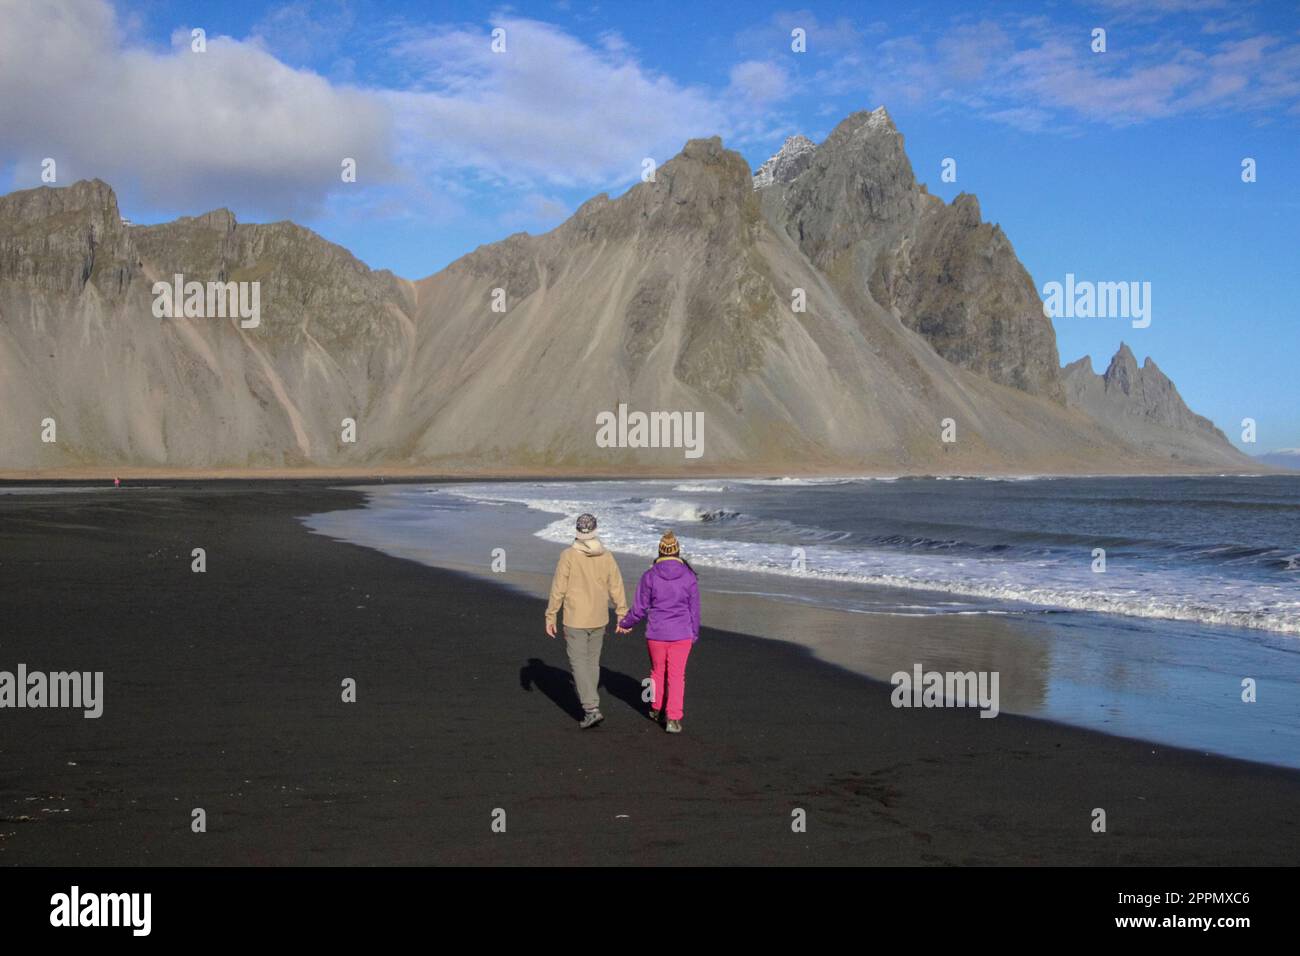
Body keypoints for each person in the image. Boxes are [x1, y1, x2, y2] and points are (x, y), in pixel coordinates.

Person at [545, 513, 628, 729]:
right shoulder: (606, 556)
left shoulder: (568, 555)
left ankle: (591, 708)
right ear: (595, 530)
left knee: (579, 663)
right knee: (591, 662)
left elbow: (558, 588)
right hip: (599, 617)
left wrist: (551, 614)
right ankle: (592, 704)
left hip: (576, 618)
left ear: (577, 531)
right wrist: (621, 613)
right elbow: (616, 586)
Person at [616, 531, 700, 734]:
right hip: (682, 633)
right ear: (677, 551)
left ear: (660, 551)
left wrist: (626, 623)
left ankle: (655, 707)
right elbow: (694, 610)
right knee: (677, 676)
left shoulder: (650, 576)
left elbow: (639, 608)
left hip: (657, 633)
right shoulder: (689, 576)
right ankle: (673, 718)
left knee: (657, 672)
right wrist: (694, 634)